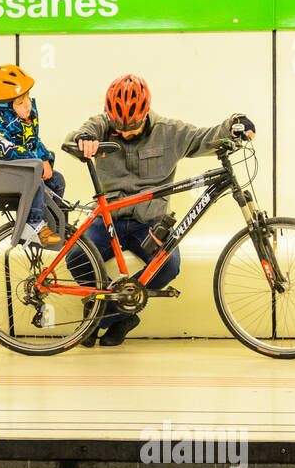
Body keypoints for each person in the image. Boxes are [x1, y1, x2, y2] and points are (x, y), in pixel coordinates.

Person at [65, 74, 255, 347]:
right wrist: (84, 139)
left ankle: (108, 315)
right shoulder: (101, 125)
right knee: (76, 258)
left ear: (146, 113)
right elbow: (76, 136)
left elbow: (205, 137)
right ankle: (114, 316)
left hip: (149, 222)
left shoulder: (170, 131)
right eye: (120, 127)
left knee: (170, 266)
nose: (127, 132)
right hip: (110, 219)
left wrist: (232, 125)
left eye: (133, 126)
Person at [0, 64, 66, 246]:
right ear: (4, 108)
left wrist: (44, 159)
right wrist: (35, 162)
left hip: (27, 168)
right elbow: (5, 150)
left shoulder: (22, 119)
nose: (27, 104)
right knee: (38, 182)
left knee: (58, 181)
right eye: (20, 102)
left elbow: (34, 142)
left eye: (27, 98)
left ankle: (52, 222)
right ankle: (33, 224)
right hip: (8, 172)